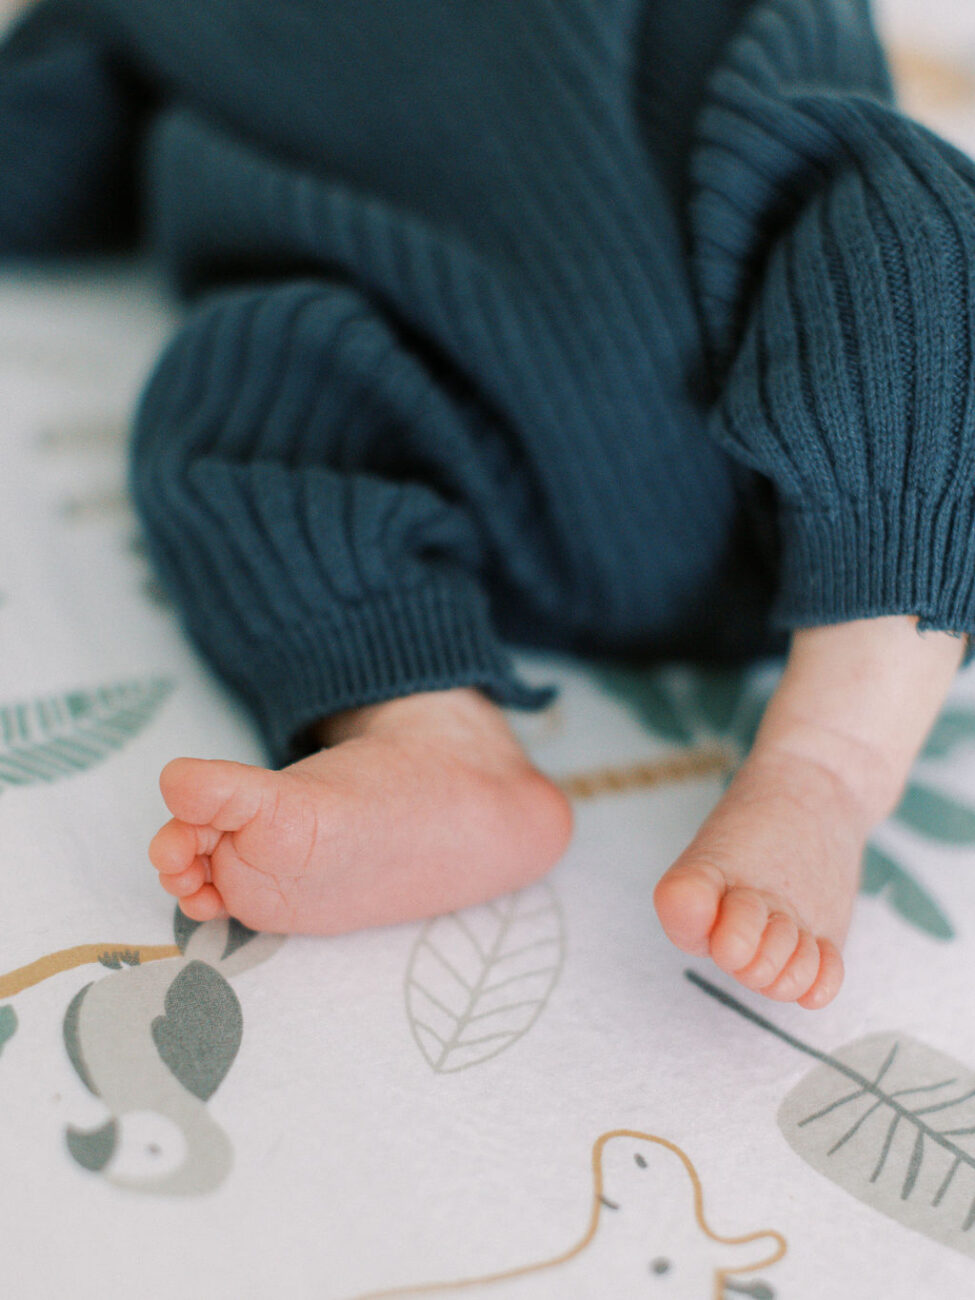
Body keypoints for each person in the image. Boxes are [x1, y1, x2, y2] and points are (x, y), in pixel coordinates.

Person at [2, 0, 972, 1011]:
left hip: (783, 335)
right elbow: (40, 158)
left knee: (923, 242)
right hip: (441, 413)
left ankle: (832, 760)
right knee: (240, 398)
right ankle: (427, 730)